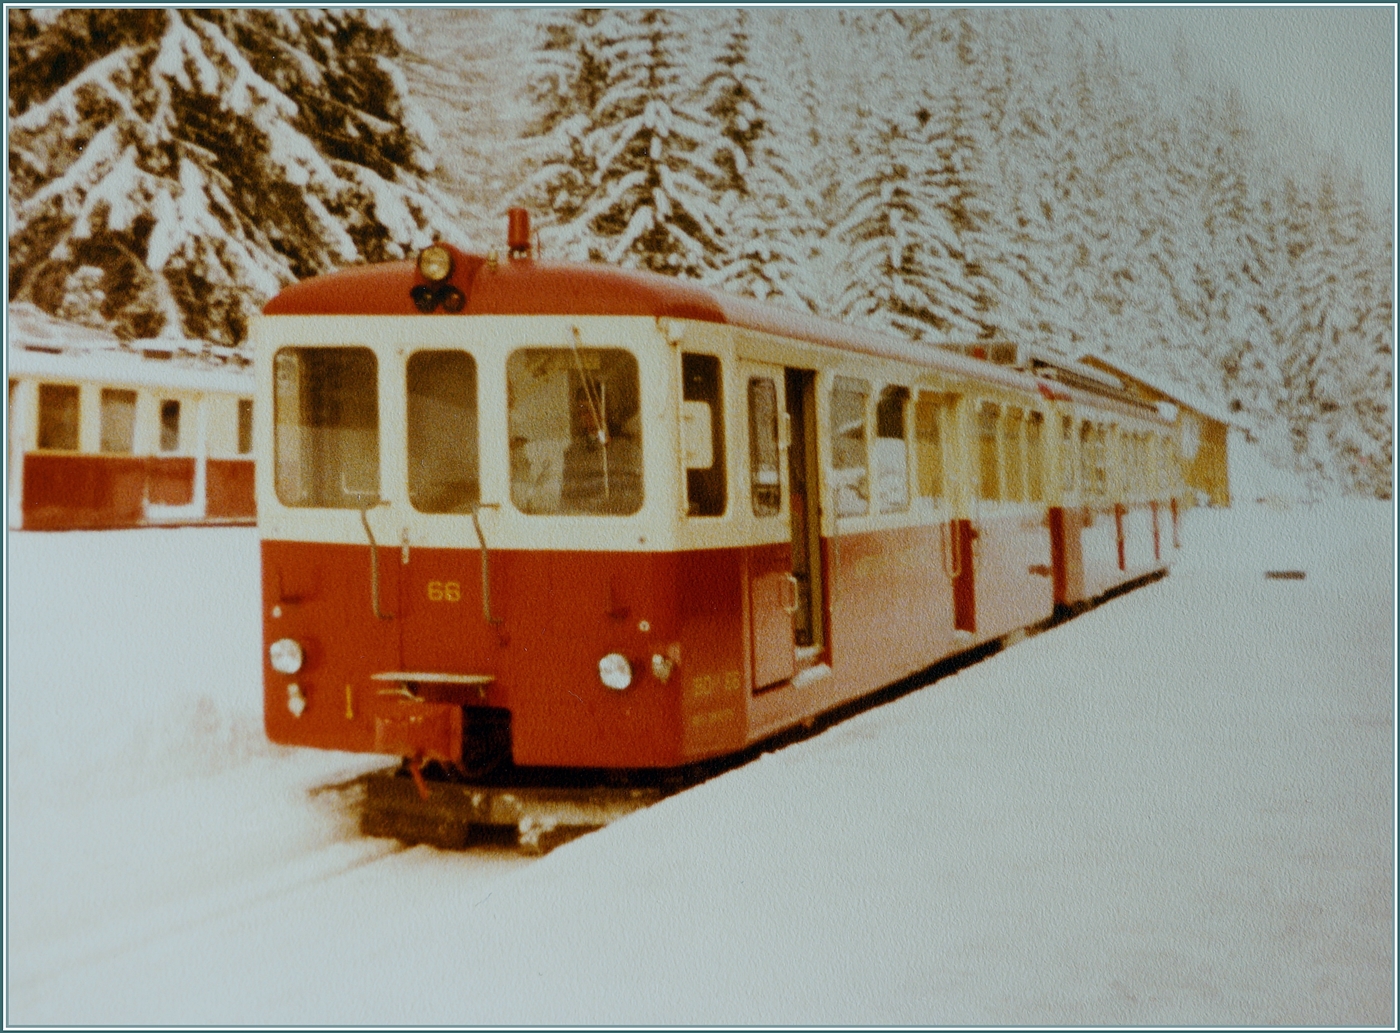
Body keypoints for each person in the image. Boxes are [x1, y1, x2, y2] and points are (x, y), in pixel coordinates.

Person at [560, 386, 642, 514]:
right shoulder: (573, 453)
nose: (586, 415)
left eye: (591, 409)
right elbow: (567, 499)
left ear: (604, 411)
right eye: (582, 410)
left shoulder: (627, 450)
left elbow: (636, 495)